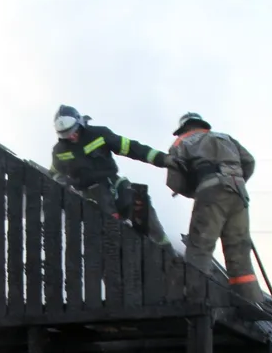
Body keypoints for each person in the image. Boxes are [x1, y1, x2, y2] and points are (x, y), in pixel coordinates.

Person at [167, 112, 264, 316]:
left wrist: (199, 190)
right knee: (238, 249)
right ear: (202, 125)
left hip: (210, 192)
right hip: (238, 193)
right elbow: (249, 161)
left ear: (184, 128)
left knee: (199, 247)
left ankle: (196, 299)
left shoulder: (181, 143)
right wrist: (235, 180)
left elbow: (174, 181)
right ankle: (249, 303)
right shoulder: (225, 137)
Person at [51, 105, 178, 253]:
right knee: (107, 219)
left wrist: (162, 159)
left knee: (139, 202)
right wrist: (63, 181)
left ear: (79, 123)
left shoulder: (99, 134)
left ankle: (165, 249)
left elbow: (132, 148)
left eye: (73, 131)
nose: (71, 136)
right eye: (66, 134)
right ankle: (121, 250)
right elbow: (54, 173)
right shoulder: (59, 151)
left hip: (113, 183)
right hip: (89, 194)